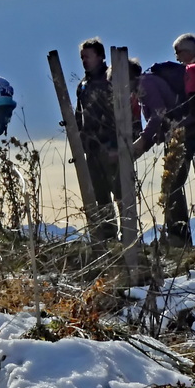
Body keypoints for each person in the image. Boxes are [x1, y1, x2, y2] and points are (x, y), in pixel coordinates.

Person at [131, 34, 195, 246]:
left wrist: (143, 141)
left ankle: (180, 235)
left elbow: (158, 114)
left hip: (191, 133)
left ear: (191, 52)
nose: (177, 56)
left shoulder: (192, 72)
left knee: (175, 183)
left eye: (180, 52)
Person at [75, 38, 119, 240]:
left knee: (120, 190)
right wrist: (80, 140)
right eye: (82, 57)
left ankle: (128, 234)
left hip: (112, 143)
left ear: (100, 56)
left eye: (88, 56)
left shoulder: (112, 79)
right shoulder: (83, 84)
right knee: (100, 193)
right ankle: (108, 234)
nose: (84, 61)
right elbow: (78, 114)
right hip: (91, 147)